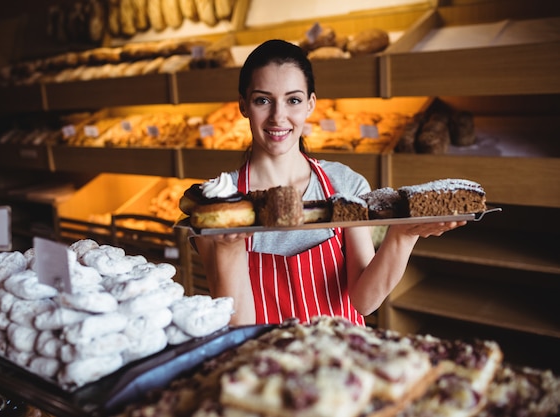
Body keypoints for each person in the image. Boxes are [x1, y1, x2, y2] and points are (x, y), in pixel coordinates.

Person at [194, 39, 465, 326]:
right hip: (265, 363)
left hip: (341, 360)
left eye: (293, 100)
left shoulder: (344, 185)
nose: (278, 116)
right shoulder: (218, 206)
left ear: (310, 105)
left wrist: (404, 235)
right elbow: (239, 326)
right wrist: (227, 247)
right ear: (243, 105)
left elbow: (365, 301)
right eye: (263, 100)